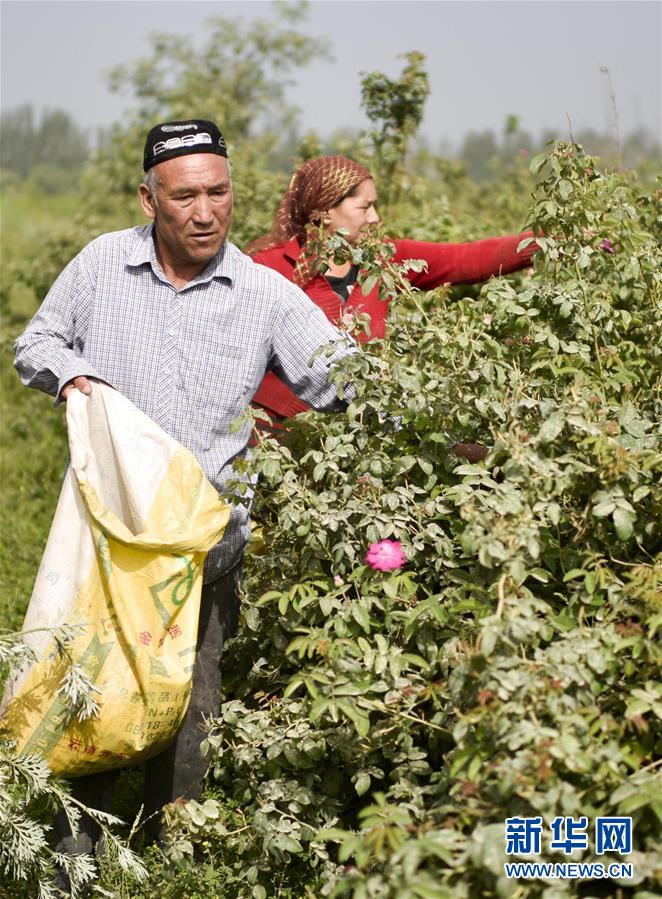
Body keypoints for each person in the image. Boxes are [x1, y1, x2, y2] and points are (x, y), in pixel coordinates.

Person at [13, 121, 358, 880]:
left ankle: (177, 863)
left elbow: (344, 378)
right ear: (150, 199)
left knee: (192, 708)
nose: (206, 213)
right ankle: (77, 863)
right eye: (185, 197)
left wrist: (438, 415)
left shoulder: (264, 294)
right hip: (111, 545)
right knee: (92, 696)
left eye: (219, 193)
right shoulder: (103, 265)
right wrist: (74, 377)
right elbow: (36, 344)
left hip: (206, 547)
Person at [246, 155, 539, 429]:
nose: (375, 218)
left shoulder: (382, 260)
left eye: (375, 206)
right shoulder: (268, 269)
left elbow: (464, 259)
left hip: (359, 428)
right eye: (364, 208)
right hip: (276, 433)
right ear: (325, 211)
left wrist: (544, 241)